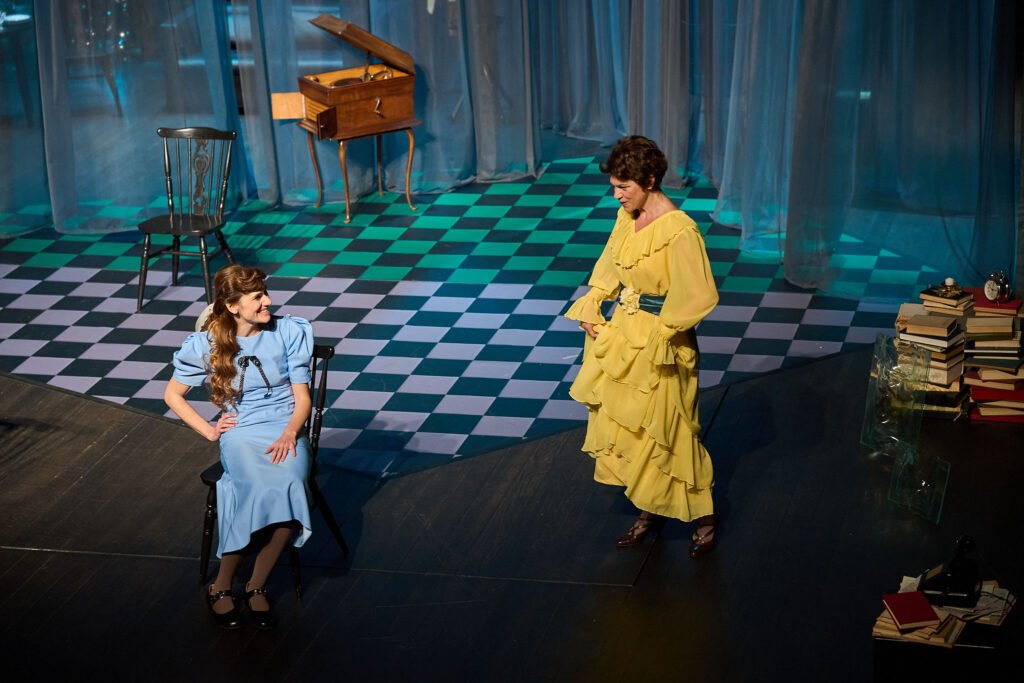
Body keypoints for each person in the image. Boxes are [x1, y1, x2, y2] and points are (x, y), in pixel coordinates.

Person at [564, 135, 720, 557]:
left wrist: (663, 332)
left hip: (660, 341)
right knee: (634, 429)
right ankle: (650, 508)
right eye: (614, 187)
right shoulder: (627, 216)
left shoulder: (680, 231)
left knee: (671, 430)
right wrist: (594, 302)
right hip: (624, 334)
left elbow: (699, 295)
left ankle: (704, 517)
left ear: (649, 181)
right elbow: (611, 264)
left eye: (624, 187)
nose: (617, 195)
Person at [164, 264, 314, 629]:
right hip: (242, 429)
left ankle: (256, 584)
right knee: (256, 489)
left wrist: (290, 433)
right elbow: (172, 395)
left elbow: (303, 399)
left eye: (265, 293)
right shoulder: (208, 344)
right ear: (233, 306)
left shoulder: (288, 331)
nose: (268, 302)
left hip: (285, 425)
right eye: (258, 297)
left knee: (291, 484)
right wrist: (209, 430)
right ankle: (220, 586)